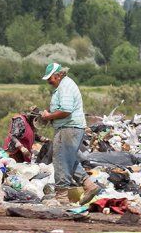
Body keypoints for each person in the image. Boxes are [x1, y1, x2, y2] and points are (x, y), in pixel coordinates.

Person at [40, 63, 101, 204]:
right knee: (68, 159)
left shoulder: (65, 87)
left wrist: (48, 116)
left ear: (58, 75)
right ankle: (89, 185)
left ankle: (61, 196)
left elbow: (66, 111)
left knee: (60, 158)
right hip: (71, 127)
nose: (49, 82)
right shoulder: (65, 85)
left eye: (50, 78)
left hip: (68, 127)